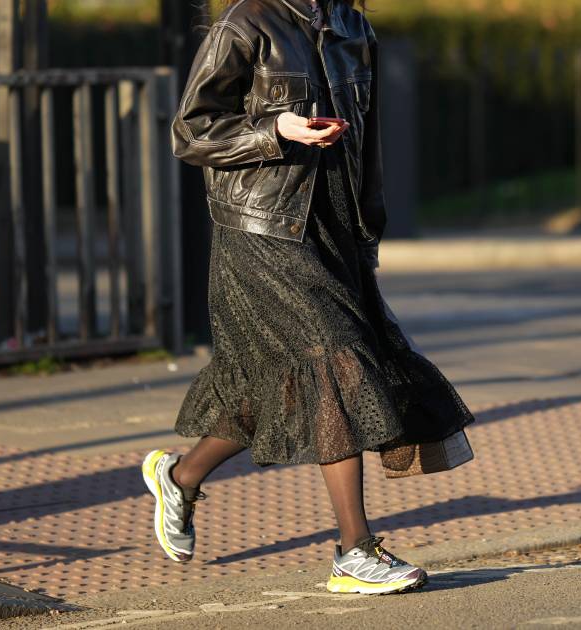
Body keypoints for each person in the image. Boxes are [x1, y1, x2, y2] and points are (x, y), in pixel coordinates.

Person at [141, 0, 475, 595]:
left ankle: (181, 476)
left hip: (333, 227)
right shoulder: (243, 22)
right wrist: (275, 130)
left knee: (272, 388)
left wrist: (368, 230)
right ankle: (354, 551)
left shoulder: (352, 25)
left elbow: (368, 144)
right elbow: (189, 131)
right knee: (336, 362)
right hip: (261, 228)